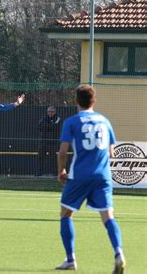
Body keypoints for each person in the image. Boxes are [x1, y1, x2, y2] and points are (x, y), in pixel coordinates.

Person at [55, 85, 125, 273]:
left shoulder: (72, 122)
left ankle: (70, 259)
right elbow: (111, 152)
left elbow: (63, 152)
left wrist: (61, 171)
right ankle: (119, 253)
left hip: (79, 175)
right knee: (108, 216)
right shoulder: (104, 121)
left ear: (75, 101)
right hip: (103, 176)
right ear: (94, 101)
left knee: (65, 214)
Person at [37, 106, 61, 176]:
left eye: (52, 112)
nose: (50, 113)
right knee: (40, 157)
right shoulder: (43, 118)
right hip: (43, 141)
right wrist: (50, 126)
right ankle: (40, 172)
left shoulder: (58, 119)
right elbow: (40, 127)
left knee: (53, 157)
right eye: (49, 112)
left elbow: (55, 127)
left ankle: (54, 172)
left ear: (55, 112)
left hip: (52, 142)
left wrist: (47, 126)